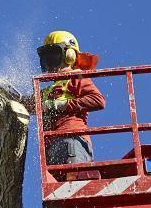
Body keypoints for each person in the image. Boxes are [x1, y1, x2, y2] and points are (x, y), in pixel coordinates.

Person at [34, 30, 105, 165]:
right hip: (52, 145)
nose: (49, 61)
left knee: (72, 182)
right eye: (46, 56)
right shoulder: (50, 89)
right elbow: (32, 104)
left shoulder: (76, 78)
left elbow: (98, 100)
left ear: (69, 55)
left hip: (72, 138)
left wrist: (61, 105)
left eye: (53, 55)